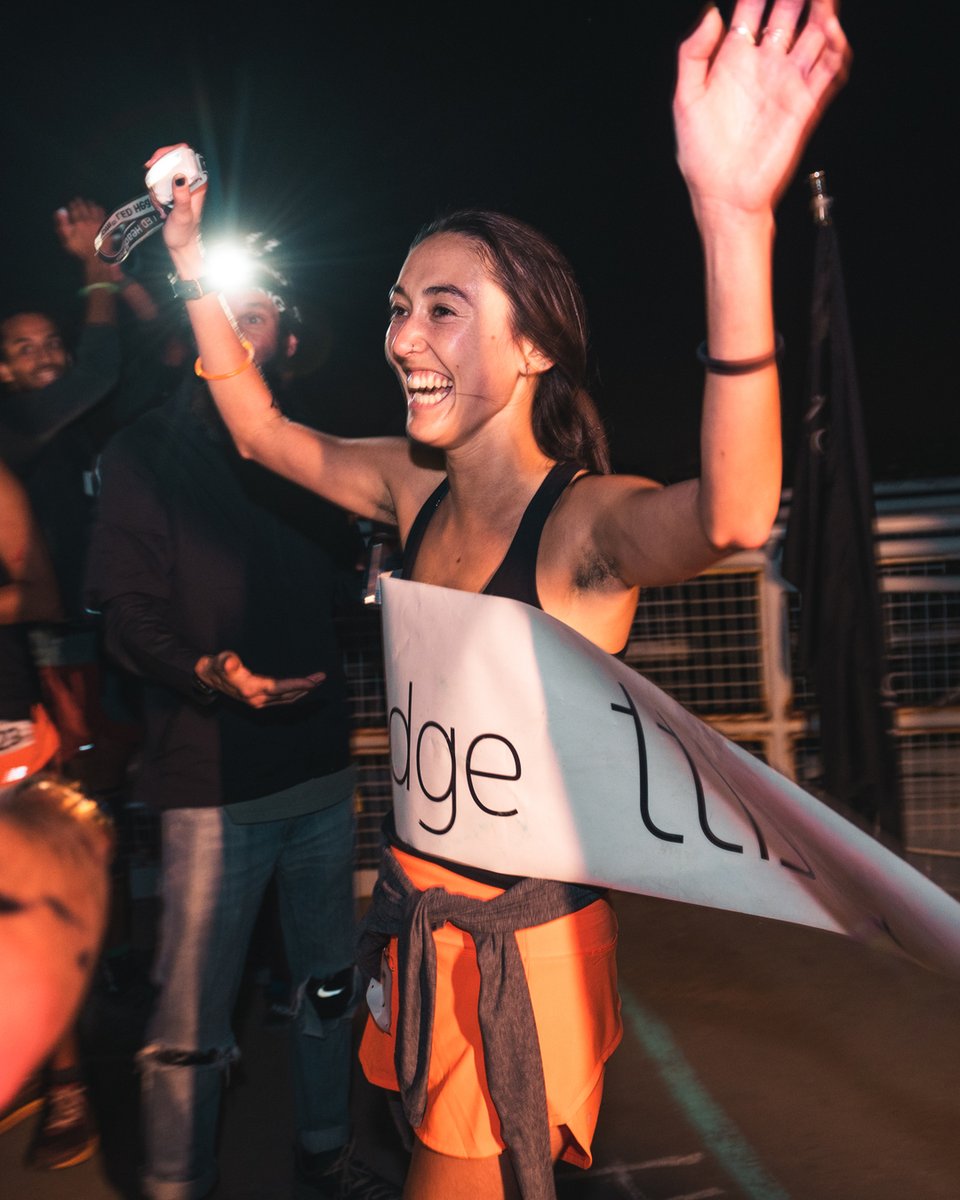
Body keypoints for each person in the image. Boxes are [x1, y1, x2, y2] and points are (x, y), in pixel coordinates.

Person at [145, 4, 850, 1197]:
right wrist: (186, 265)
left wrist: (736, 224)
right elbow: (259, 432)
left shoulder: (580, 529)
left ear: (532, 351)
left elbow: (732, 513)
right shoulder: (407, 485)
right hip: (411, 923)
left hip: (512, 956)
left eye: (442, 309)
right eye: (396, 307)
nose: (402, 336)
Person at [84, 263, 366, 1200]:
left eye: (258, 318)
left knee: (330, 987)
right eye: (223, 315)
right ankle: (176, 1184)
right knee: (188, 1027)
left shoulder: (320, 457)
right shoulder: (142, 452)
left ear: (285, 338)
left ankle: (326, 1154)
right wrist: (202, 672)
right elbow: (124, 612)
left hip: (322, 772)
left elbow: (346, 597)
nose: (239, 333)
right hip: (210, 780)